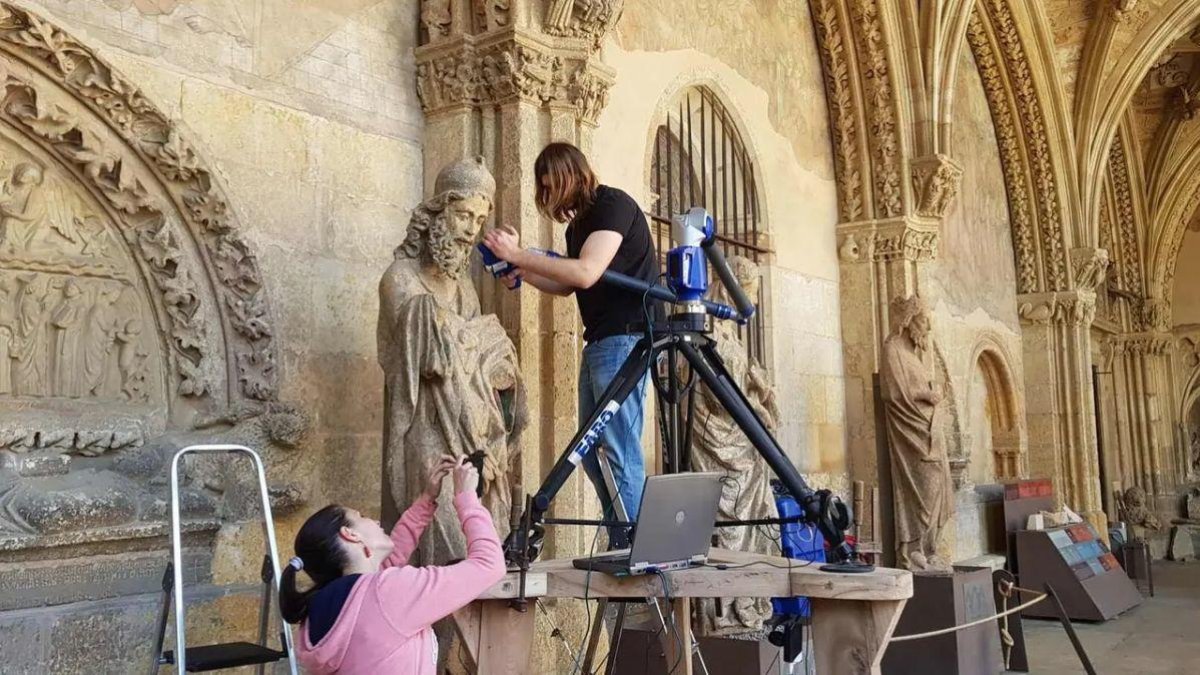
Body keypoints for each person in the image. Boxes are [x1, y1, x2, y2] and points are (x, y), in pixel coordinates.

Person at [481, 141, 658, 534]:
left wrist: (520, 253)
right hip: (599, 342)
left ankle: (636, 544)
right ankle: (622, 534)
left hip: (626, 339)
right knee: (592, 452)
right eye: (543, 190)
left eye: (551, 187)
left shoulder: (613, 205)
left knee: (618, 449)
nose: (549, 198)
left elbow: (585, 272)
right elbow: (566, 285)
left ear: (570, 175)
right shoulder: (579, 226)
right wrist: (520, 269)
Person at [280, 456, 505, 675]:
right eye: (362, 516)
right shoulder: (389, 593)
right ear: (350, 534)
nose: (375, 521)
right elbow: (489, 564)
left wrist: (426, 499)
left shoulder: (321, 610)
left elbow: (379, 581)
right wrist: (466, 497)